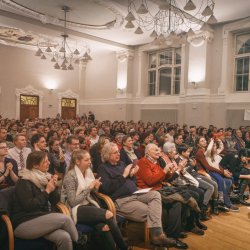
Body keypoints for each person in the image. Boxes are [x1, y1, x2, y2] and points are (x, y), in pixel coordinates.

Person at [97, 142, 177, 248]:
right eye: (115, 152)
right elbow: (107, 188)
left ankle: (157, 236)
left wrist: (131, 175)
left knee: (155, 194)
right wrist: (124, 175)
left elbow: (133, 181)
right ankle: (157, 236)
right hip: (121, 200)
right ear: (107, 155)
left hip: (135, 193)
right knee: (152, 211)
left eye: (119, 152)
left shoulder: (121, 164)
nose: (119, 154)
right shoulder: (103, 168)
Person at [62, 150, 128, 250]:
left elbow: (93, 194)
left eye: (90, 160)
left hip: (89, 204)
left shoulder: (88, 172)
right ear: (77, 161)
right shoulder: (70, 176)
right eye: (86, 160)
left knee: (103, 227)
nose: (90, 162)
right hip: (75, 209)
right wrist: (90, 187)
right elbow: (73, 202)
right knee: (109, 214)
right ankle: (123, 247)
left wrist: (96, 187)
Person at [11, 151, 78, 250]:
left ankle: (77, 241)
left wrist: (53, 187)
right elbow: (29, 206)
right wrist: (47, 191)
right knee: (65, 219)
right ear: (35, 165)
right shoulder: (24, 181)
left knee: (64, 237)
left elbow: (55, 201)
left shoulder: (44, 177)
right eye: (45, 162)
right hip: (24, 223)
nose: (49, 163)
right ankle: (80, 241)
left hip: (42, 219)